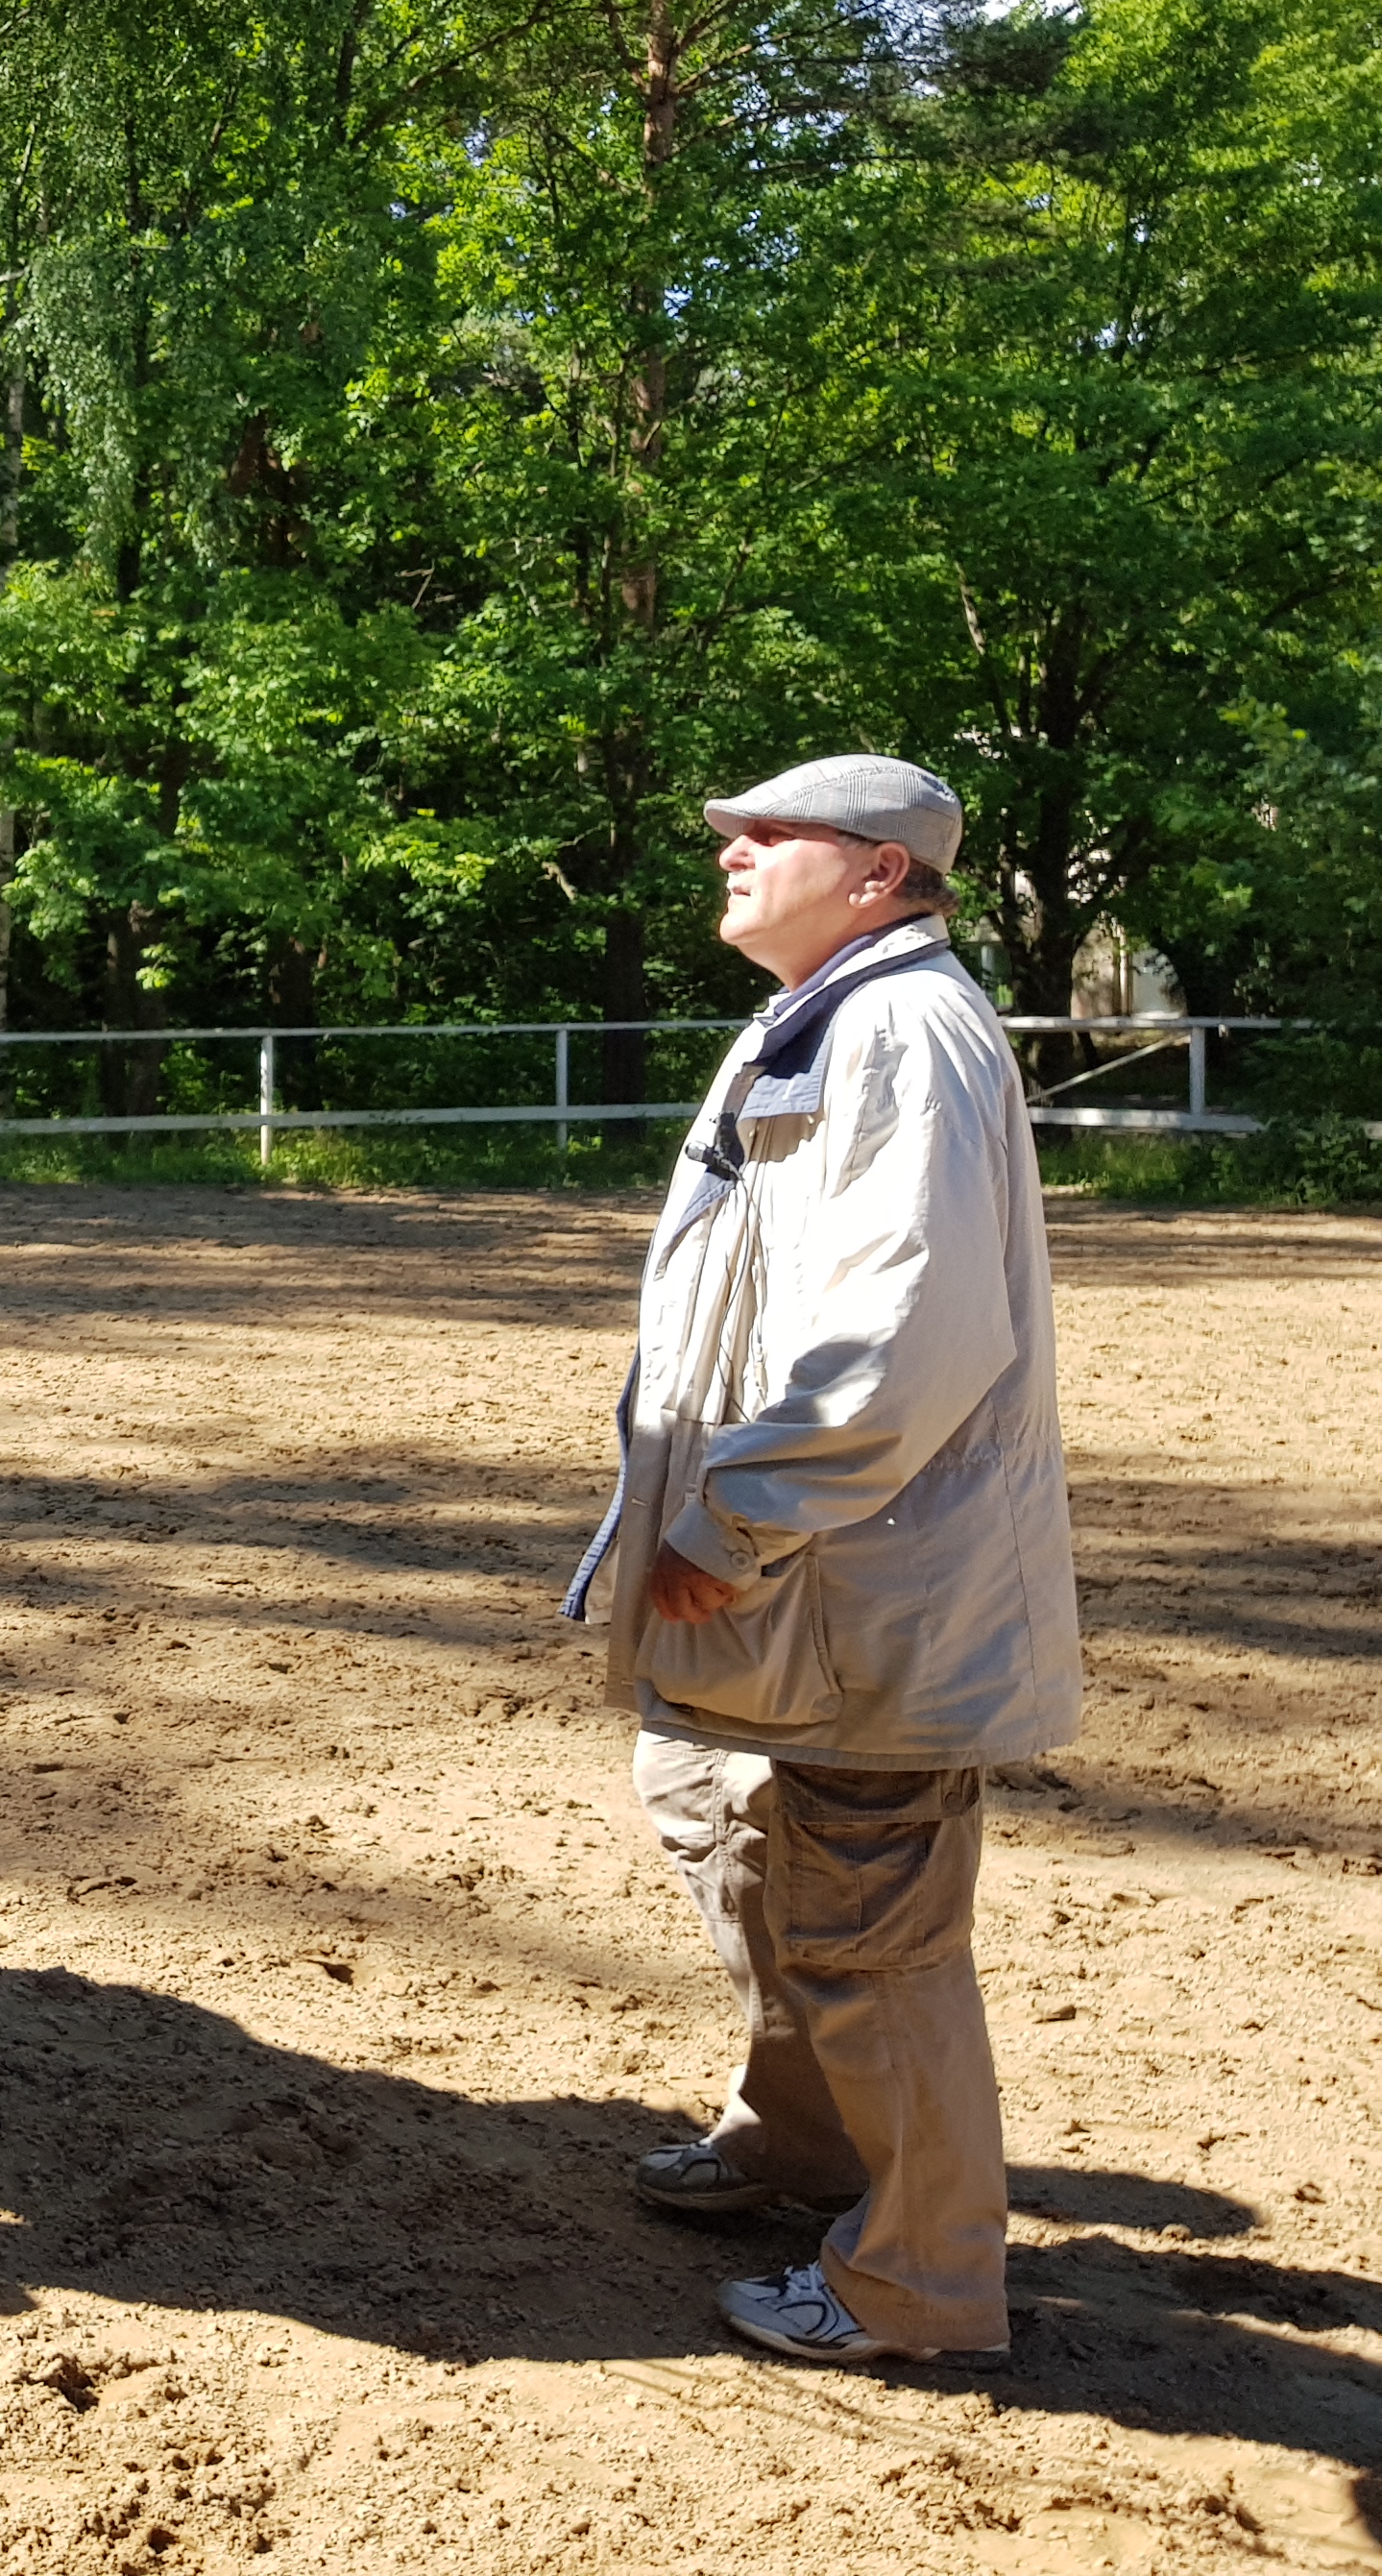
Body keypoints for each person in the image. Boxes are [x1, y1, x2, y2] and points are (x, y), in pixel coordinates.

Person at [565, 753, 1080, 2368]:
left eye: (762, 831)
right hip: (817, 1579)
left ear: (874, 872)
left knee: (869, 1918)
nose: (723, 846)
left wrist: (736, 1513)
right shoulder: (829, 1011)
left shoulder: (895, 1033)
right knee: (721, 1801)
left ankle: (918, 2278)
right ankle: (796, 2137)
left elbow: (901, 1332)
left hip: (857, 1580)